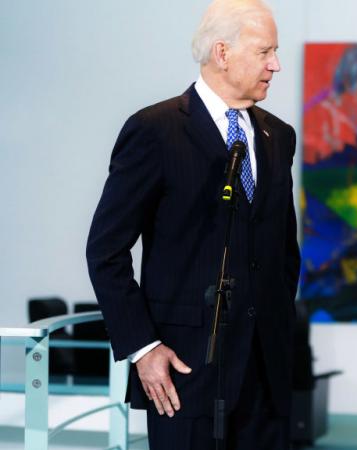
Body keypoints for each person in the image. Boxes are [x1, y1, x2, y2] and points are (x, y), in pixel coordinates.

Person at [86, 0, 300, 448]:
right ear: (222, 53)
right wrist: (143, 348)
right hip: (183, 373)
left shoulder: (278, 136)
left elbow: (283, 251)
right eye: (265, 52)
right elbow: (105, 250)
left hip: (266, 374)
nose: (276, 65)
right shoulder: (156, 130)